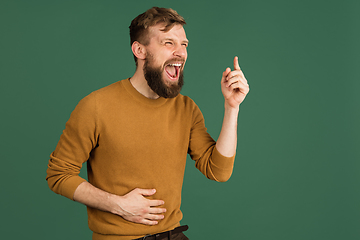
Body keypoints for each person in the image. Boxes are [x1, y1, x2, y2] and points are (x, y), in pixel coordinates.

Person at [46, 6, 249, 240]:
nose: (180, 52)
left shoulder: (186, 108)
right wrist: (117, 204)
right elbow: (59, 174)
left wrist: (232, 107)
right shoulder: (96, 106)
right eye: (168, 43)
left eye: (184, 44)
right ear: (139, 50)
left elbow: (218, 171)